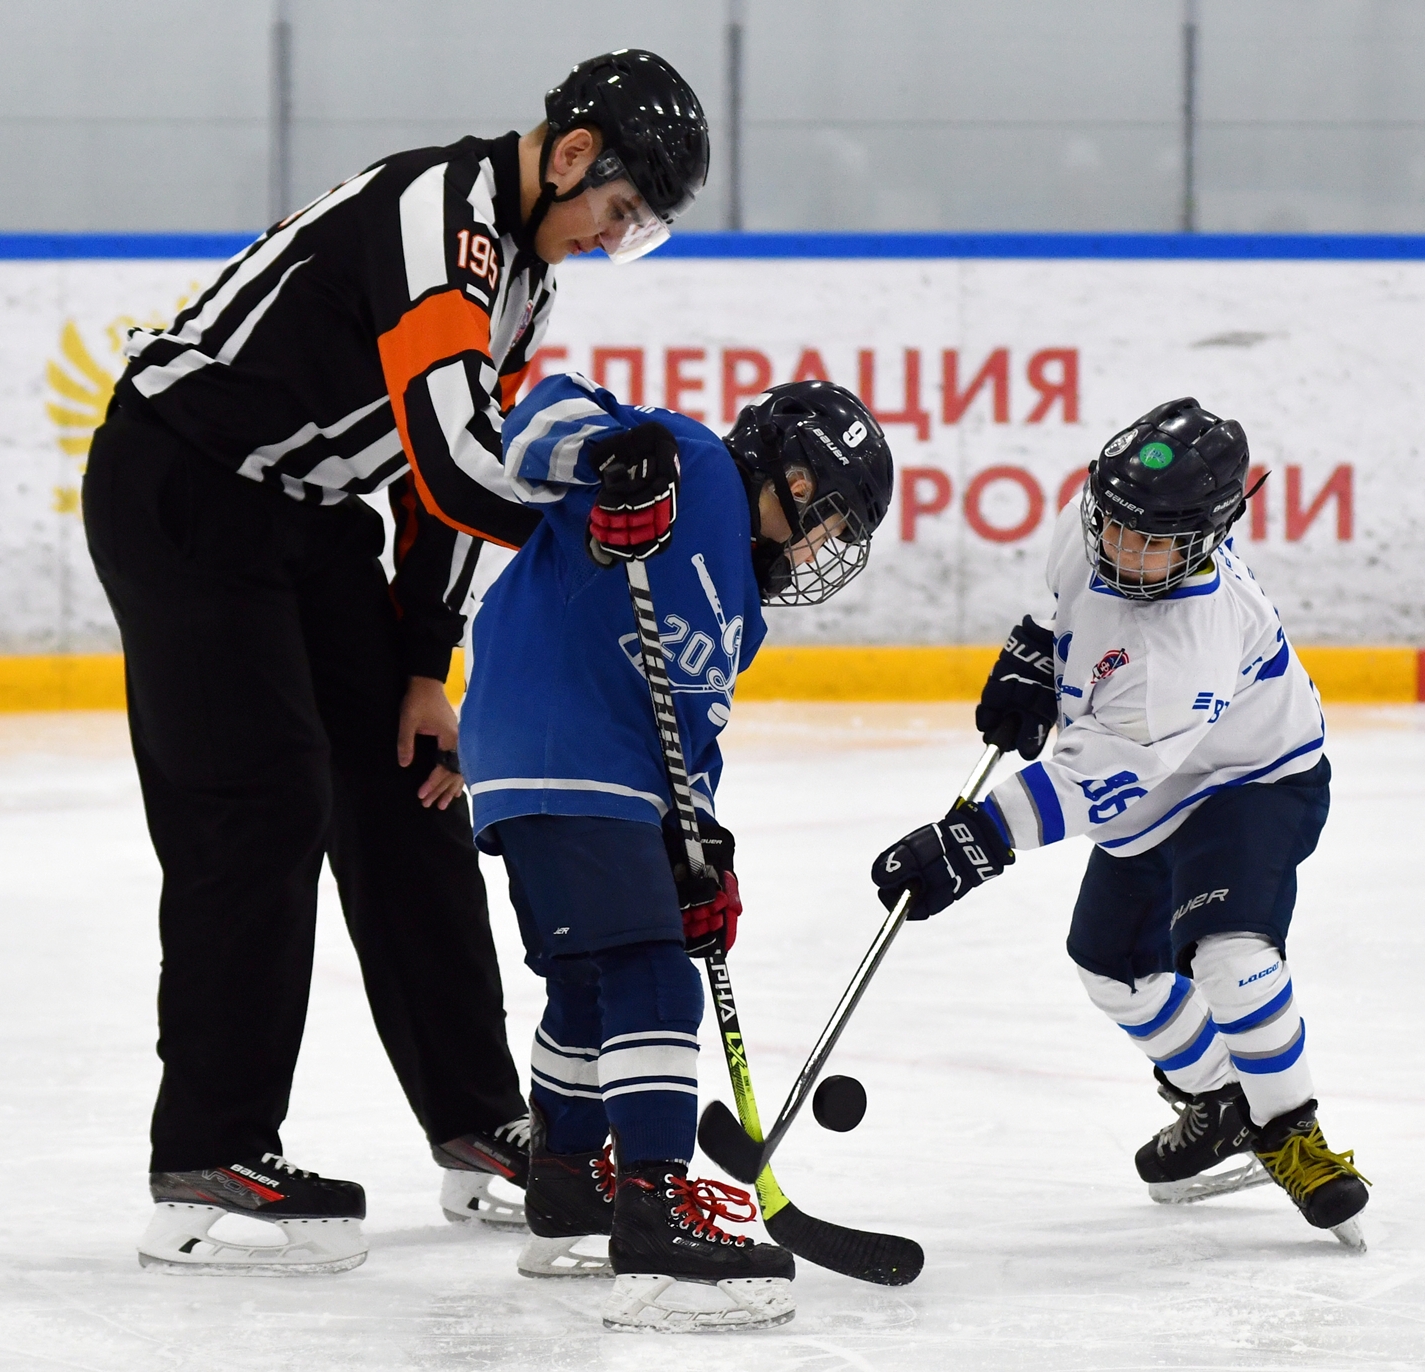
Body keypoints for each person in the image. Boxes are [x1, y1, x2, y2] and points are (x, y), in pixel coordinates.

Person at [82, 50, 709, 1274]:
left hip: (307, 517)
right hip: (183, 482)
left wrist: (425, 662)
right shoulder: (441, 216)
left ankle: (477, 1123)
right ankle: (209, 1149)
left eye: (634, 231)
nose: (608, 239)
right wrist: (596, 505)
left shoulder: (524, 279)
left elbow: (449, 492)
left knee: (412, 789)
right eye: (619, 211)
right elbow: (458, 457)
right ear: (573, 153)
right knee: (260, 801)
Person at [870, 397, 1370, 1247]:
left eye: (1153, 541)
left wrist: (975, 839)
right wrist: (1033, 658)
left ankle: (1289, 1130)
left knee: (1228, 954)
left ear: (1205, 538)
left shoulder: (1188, 645)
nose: (1124, 549)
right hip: (1152, 787)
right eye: (1116, 526)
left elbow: (1092, 775)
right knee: (1111, 968)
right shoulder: (1099, 519)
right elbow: (1062, 603)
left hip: (1249, 783)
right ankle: (1220, 1101)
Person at [456, 375, 894, 1331]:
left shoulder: (744, 613)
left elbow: (692, 738)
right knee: (653, 976)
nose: (821, 547)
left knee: (588, 979)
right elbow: (534, 425)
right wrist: (613, 457)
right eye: (829, 520)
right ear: (795, 476)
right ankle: (654, 1213)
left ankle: (567, 1183)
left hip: (586, 774)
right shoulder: (691, 462)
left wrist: (701, 847)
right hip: (561, 745)